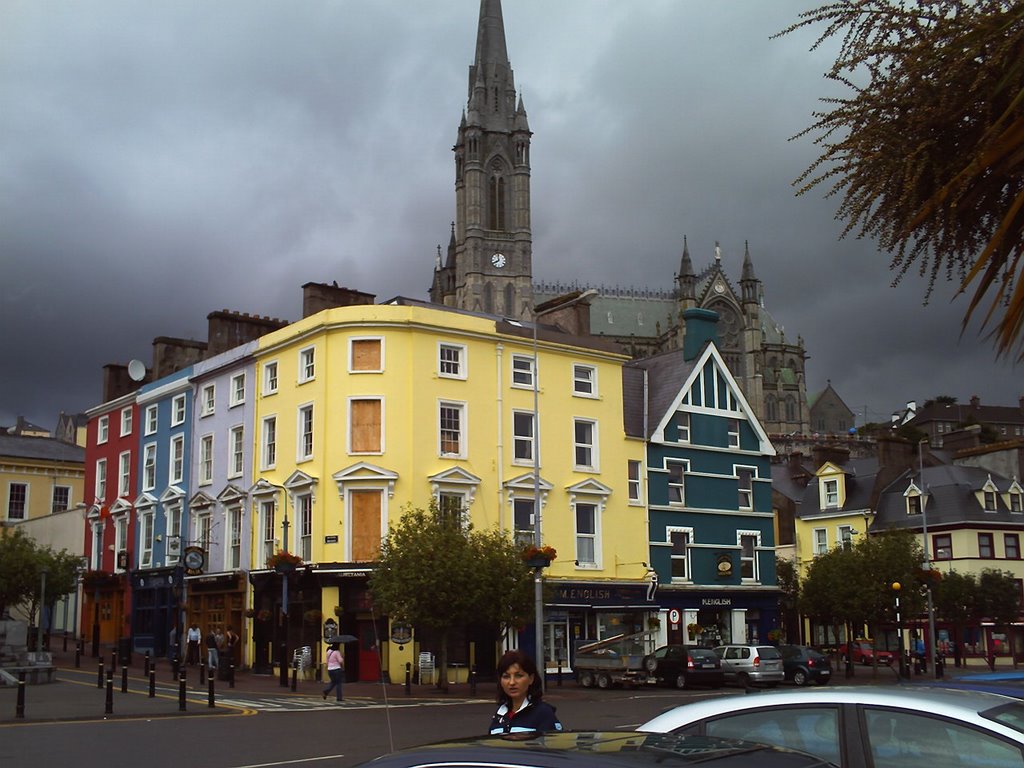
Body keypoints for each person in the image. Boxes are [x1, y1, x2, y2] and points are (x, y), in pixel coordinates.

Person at [489, 650, 562, 735]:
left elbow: (555, 744)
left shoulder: (543, 713)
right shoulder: (500, 714)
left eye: (518, 676)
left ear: (531, 679)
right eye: (506, 676)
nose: (512, 682)